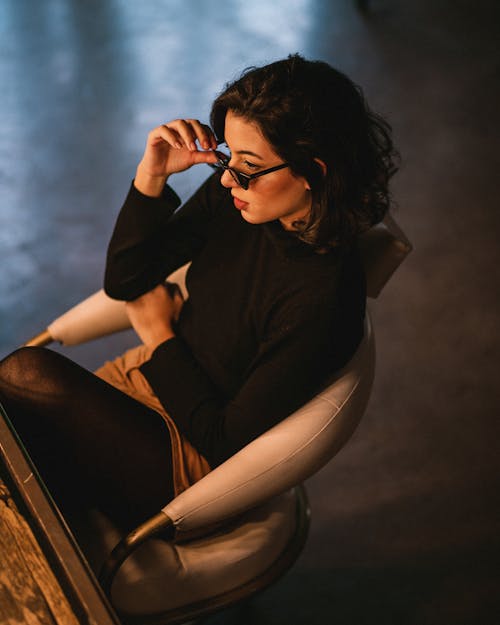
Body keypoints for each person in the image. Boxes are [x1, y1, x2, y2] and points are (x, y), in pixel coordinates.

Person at [0, 54, 398, 532]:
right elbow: (127, 281)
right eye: (230, 158)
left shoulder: (323, 299)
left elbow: (223, 440)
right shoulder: (241, 202)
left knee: (24, 375)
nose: (228, 178)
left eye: (248, 168)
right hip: (149, 387)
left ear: (315, 171)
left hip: (189, 463)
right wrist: (152, 178)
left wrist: (159, 335)